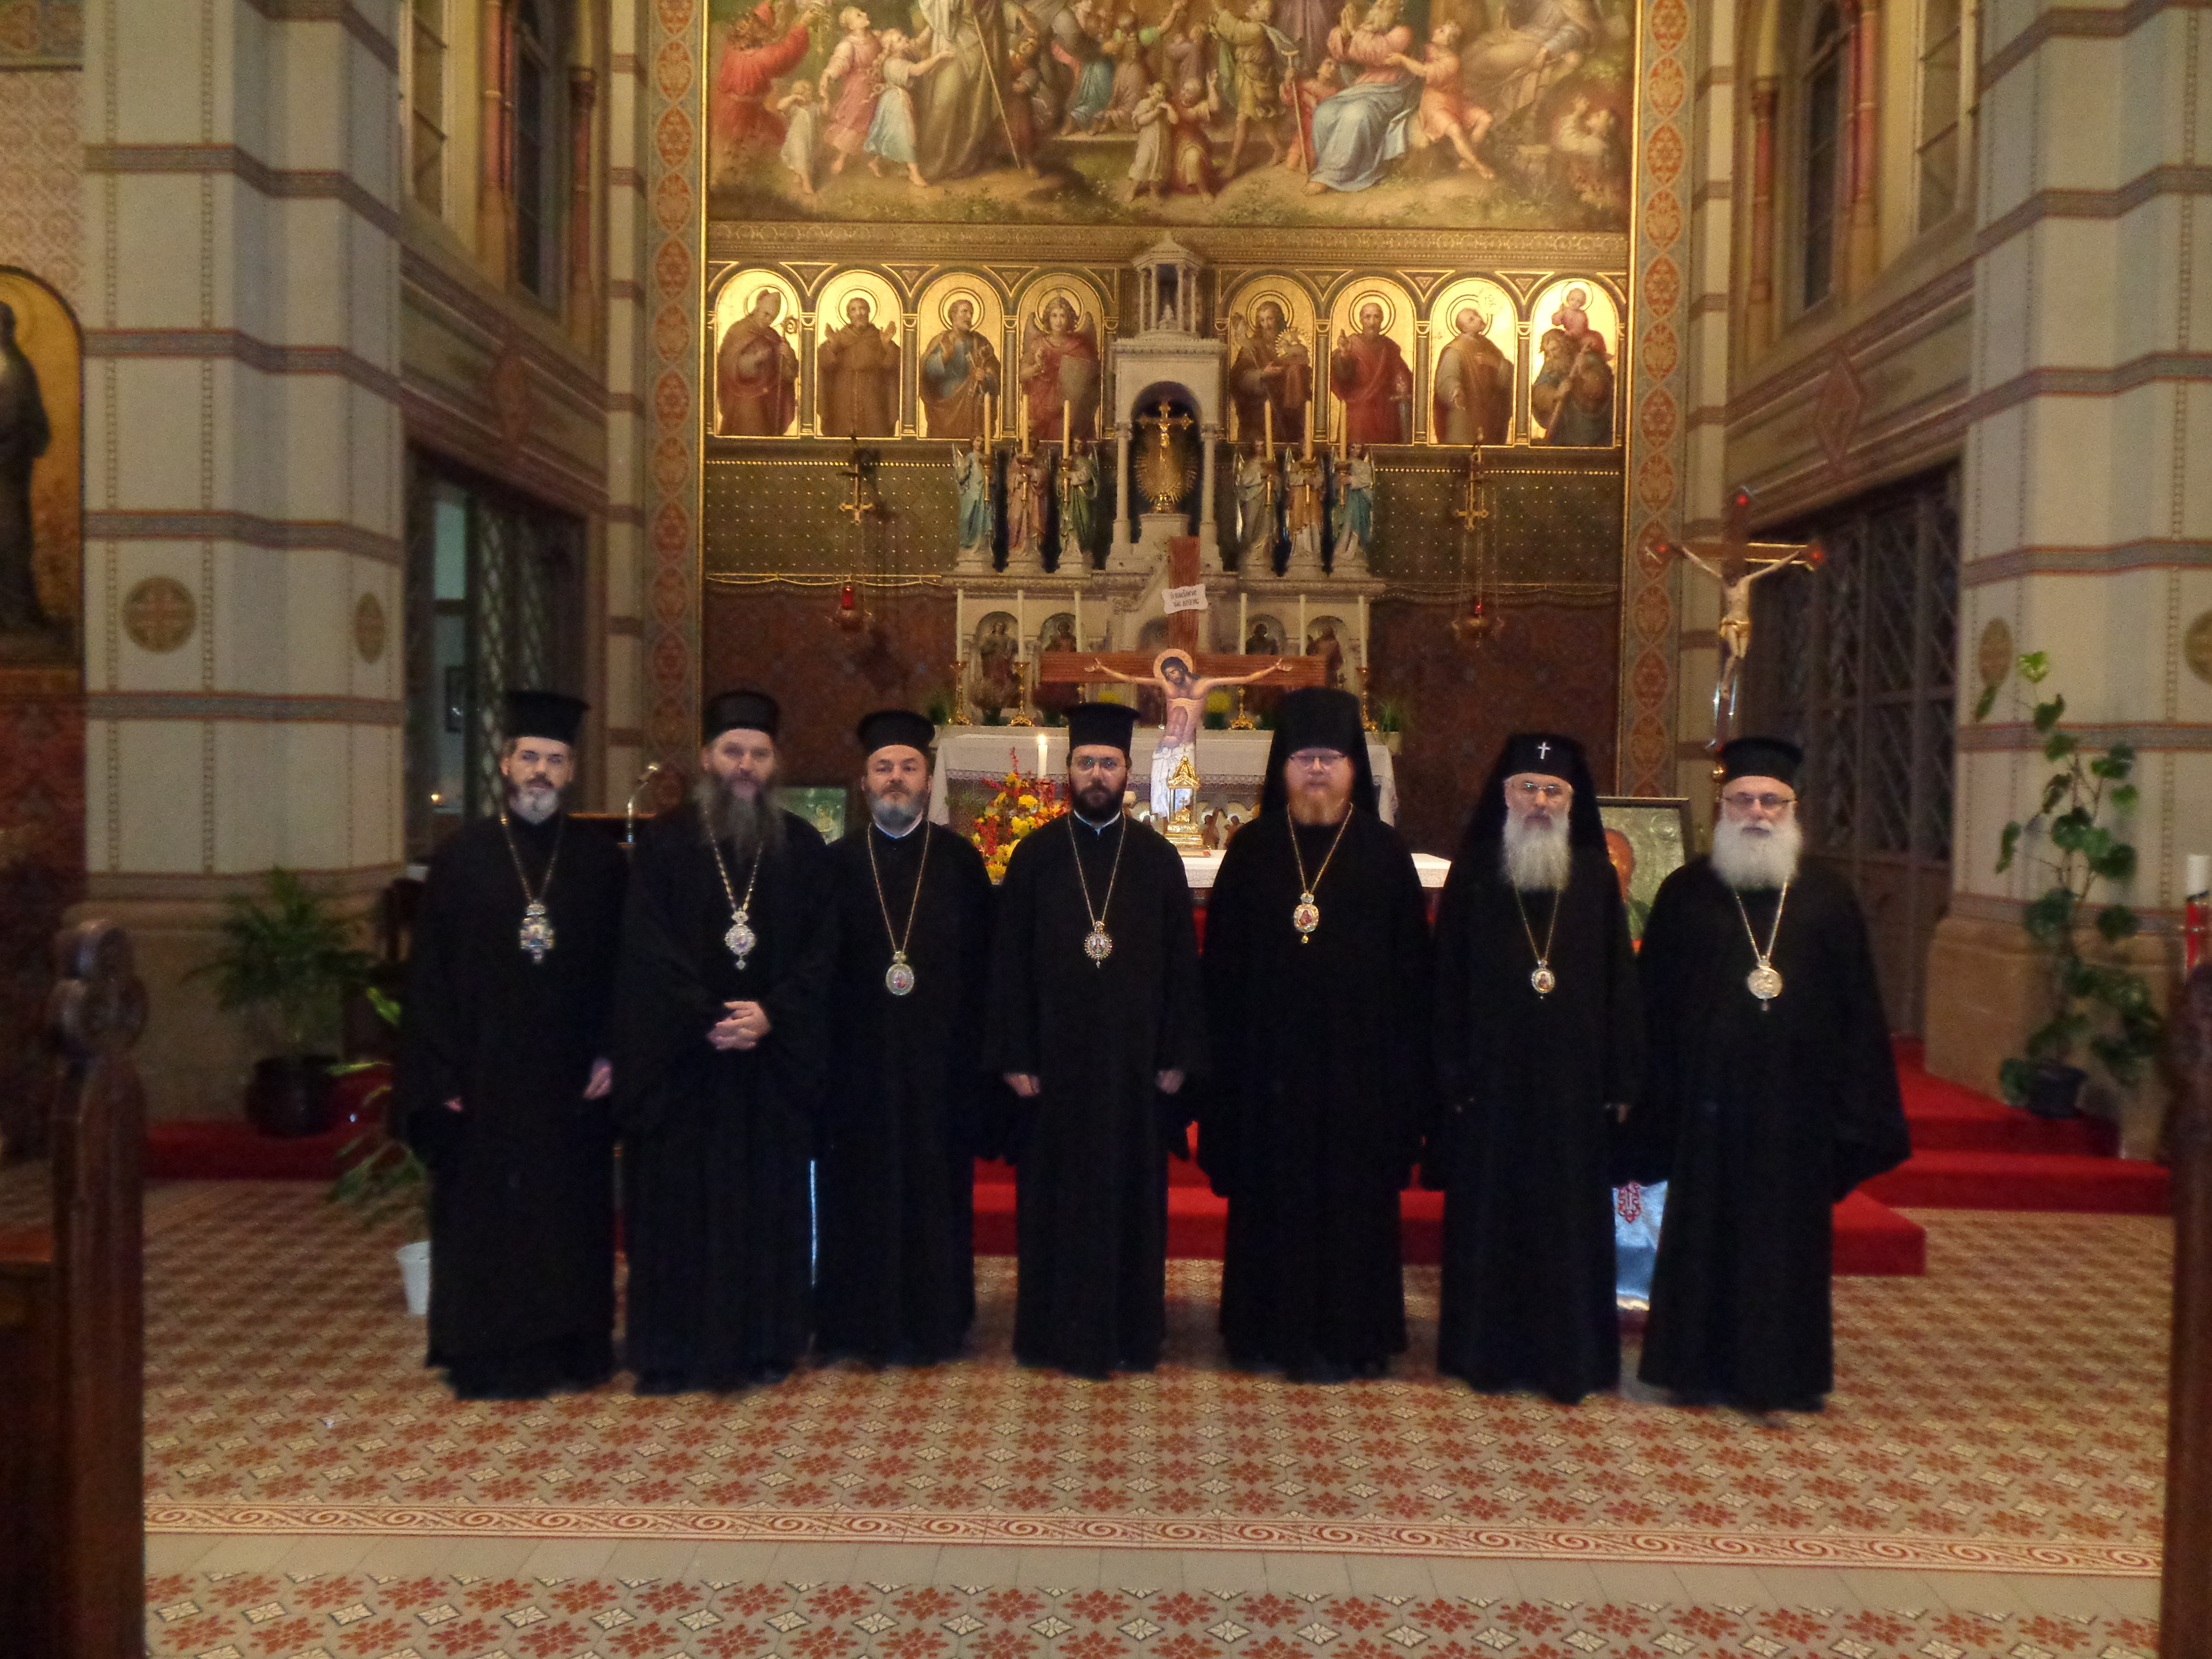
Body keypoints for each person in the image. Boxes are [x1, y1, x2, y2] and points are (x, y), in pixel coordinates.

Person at [1629, 737, 1911, 1413]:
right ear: (1721, 808)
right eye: (1743, 800)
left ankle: (1782, 1373)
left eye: (1771, 801)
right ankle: (1691, 1367)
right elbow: (1651, 1007)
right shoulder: (1686, 893)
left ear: (1793, 809)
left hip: (1795, 1110)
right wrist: (1647, 1100)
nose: (1757, 813)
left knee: (1784, 1245)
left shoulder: (1828, 898)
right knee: (1703, 1236)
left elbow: (1858, 1011)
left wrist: (1852, 1110)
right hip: (1705, 1109)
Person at [398, 691, 628, 1399]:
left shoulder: (601, 864)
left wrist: (612, 1051)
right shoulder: (461, 859)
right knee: (487, 1216)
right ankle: (487, 1352)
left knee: (567, 1214)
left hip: (570, 1078)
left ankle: (571, 1348)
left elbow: (625, 970)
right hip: (485, 1076)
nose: (541, 771)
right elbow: (429, 976)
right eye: (529, 756)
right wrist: (440, 1074)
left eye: (555, 760)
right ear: (505, 764)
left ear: (572, 772)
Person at [1200, 688, 1430, 1381]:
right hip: (1268, 1074)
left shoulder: (1385, 855)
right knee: (1274, 1201)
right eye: (1304, 758)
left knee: (1353, 1205)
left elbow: (1412, 981)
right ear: (1283, 769)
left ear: (1355, 768)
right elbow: (1222, 976)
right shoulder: (1251, 852)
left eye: (1331, 758)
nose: (1318, 770)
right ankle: (1263, 1331)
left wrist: (1403, 1084)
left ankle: (1354, 1336)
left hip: (1360, 1079)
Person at [615, 689, 837, 1393]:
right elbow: (646, 947)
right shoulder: (664, 844)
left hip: (770, 1064)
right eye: (733, 751)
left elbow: (824, 953)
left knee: (765, 1207)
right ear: (707, 757)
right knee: (680, 1209)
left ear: (776, 762)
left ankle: (768, 1342)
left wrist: (771, 1015)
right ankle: (673, 1350)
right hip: (687, 1064)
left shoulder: (803, 847)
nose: (746, 765)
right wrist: (709, 1016)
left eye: (759, 753)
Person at [983, 699, 1208, 1377]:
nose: (1097, 775)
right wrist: (1014, 1054)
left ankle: (1132, 1334)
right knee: (1054, 1200)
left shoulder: (1158, 859)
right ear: (1069, 771)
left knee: (1131, 1199)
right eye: (1086, 762)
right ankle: (1051, 1333)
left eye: (1109, 763)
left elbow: (1182, 965)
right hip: (1054, 1067)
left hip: (1134, 1070)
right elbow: (1008, 963)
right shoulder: (1034, 857)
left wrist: (1178, 1054)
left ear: (1128, 772)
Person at [1430, 732, 1641, 1404]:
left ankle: (1569, 1357)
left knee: (1568, 1225)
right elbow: (1446, 980)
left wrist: (1622, 1078)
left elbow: (1620, 983)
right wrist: (1450, 1071)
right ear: (1505, 796)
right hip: (1490, 1086)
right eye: (1528, 788)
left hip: (1573, 1090)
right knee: (1491, 1219)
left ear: (1573, 803)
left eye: (1554, 791)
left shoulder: (1595, 877)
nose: (1541, 802)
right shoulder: (1474, 873)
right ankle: (1484, 1354)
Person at [817, 710, 997, 1366]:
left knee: (935, 1189)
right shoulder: (835, 865)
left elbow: (984, 970)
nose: (896, 778)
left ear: (928, 779)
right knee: (858, 1190)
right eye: (883, 767)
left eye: (908, 767)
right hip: (857, 1063)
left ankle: (936, 1322)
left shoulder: (961, 863)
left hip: (939, 1065)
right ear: (864, 782)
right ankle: (855, 1324)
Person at [1084, 646, 1290, 817]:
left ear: (1182, 668)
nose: (1172, 677)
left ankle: (1180, 823)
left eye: (1174, 672)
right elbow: (1132, 679)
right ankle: (1165, 824)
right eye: (1168, 675)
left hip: (1185, 745)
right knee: (1162, 790)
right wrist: (1103, 669)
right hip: (1166, 745)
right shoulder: (1166, 684)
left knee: (1183, 793)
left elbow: (1243, 679)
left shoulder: (1204, 683)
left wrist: (1273, 668)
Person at [1304, 0, 1417, 194]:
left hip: (1391, 91)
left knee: (1356, 114)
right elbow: (1343, 55)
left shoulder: (1403, 32)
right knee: (1325, 111)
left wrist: (1354, 31)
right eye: (1378, 2)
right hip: (1364, 88)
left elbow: (1377, 53)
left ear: (1399, 10)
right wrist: (1344, 33)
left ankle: (1333, 175)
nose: (1379, 4)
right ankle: (1328, 166)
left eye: (1386, 3)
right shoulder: (1368, 30)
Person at [1393, 22, 1492, 175]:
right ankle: (1478, 166)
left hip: (1454, 103)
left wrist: (1402, 59)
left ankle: (1468, 158)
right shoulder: (1429, 50)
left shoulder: (1452, 62)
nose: (1437, 30)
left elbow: (1424, 72)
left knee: (1486, 119)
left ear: (1448, 42)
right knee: (1455, 130)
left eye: (1442, 31)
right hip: (1434, 104)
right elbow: (1417, 53)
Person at [865, 32, 956, 189]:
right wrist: (938, 57)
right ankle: (914, 173)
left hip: (895, 100)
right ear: (892, 48)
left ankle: (875, 161)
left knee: (890, 134)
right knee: (907, 135)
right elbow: (917, 70)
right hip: (896, 102)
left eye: (903, 36)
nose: (905, 39)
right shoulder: (894, 63)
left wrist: (932, 26)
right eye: (899, 39)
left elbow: (919, 41)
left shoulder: (903, 53)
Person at [1208, 0, 1287, 176]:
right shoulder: (1253, 28)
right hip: (1247, 80)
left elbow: (1236, 31)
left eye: (1256, 7)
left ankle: (1234, 162)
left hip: (1255, 83)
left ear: (1264, 17)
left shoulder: (1257, 30)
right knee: (1260, 119)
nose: (1251, 7)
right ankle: (1279, 148)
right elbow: (1234, 35)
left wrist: (1219, 9)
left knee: (1244, 119)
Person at [1228, 300, 1312, 450]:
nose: (1266, 325)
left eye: (1270, 319)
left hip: (1289, 409)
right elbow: (1238, 378)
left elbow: (1306, 369)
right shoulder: (1252, 347)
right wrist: (1262, 374)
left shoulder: (1289, 343)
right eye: (1262, 320)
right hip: (1261, 408)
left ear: (1278, 319)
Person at [716, 287, 800, 435]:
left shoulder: (773, 336)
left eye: (772, 318)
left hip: (769, 401)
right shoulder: (739, 330)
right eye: (766, 314)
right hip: (745, 400)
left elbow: (788, 375)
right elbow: (727, 364)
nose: (768, 320)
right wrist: (754, 360)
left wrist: (789, 355)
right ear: (757, 307)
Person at [817, 293, 902, 436]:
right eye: (854, 310)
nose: (859, 313)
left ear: (869, 312)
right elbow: (823, 365)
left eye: (862, 309)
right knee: (842, 436)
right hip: (843, 397)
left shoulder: (880, 338)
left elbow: (894, 367)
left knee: (875, 436)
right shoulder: (839, 338)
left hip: (874, 397)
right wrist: (833, 347)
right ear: (848, 315)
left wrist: (887, 346)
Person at [1329, 299, 1412, 444]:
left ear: (1382, 320)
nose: (1372, 322)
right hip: (1359, 408)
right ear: (1361, 320)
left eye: (1376, 317)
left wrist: (1402, 382)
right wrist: (1344, 355)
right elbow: (1341, 378)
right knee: (1356, 445)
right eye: (1368, 317)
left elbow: (1401, 372)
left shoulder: (1390, 347)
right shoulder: (1351, 344)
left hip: (1385, 409)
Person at [920, 297, 1002, 440]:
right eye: (964, 312)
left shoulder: (980, 342)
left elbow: (996, 371)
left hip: (973, 409)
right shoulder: (941, 340)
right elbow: (925, 374)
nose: (969, 317)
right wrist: (944, 356)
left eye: (971, 313)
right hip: (944, 409)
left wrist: (985, 377)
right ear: (953, 314)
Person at [1432, 304, 1512, 445]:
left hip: (1490, 415)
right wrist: (1455, 391)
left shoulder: (1487, 345)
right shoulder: (1455, 349)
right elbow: (1447, 378)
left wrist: (1496, 363)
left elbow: (1509, 375)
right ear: (1464, 328)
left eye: (1477, 315)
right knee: (1463, 449)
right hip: (1465, 416)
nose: (1479, 319)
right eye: (1471, 319)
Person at [819, 8, 884, 174]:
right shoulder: (848, 45)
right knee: (855, 120)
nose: (865, 15)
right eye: (859, 15)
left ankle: (874, 159)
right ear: (852, 26)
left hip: (876, 85)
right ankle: (841, 158)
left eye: (863, 13)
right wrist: (828, 75)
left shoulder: (875, 37)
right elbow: (839, 62)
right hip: (858, 89)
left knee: (875, 120)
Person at [773, 79, 826, 196]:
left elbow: (825, 111)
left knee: (807, 159)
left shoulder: (813, 107)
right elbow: (780, 106)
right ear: (798, 95)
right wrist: (793, 98)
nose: (809, 95)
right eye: (804, 93)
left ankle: (799, 175)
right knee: (801, 157)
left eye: (810, 93)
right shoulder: (794, 108)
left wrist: (826, 98)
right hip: (796, 139)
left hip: (810, 139)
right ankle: (807, 184)